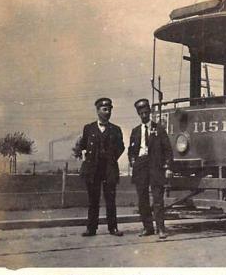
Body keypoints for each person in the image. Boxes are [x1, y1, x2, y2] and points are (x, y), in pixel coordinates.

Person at [74, 97, 126, 237]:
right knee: (93, 200)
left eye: (109, 109)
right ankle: (91, 228)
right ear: (98, 111)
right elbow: (83, 146)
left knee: (110, 200)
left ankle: (113, 228)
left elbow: (121, 147)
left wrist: (111, 158)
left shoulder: (116, 129)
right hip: (93, 170)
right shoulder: (88, 128)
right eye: (104, 109)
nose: (107, 112)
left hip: (109, 169)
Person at [127, 98, 173, 239]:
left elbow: (168, 150)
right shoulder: (135, 131)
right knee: (142, 199)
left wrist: (168, 167)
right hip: (140, 167)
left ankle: (161, 228)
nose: (144, 115)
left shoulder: (159, 129)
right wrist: (133, 160)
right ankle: (148, 228)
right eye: (141, 113)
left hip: (155, 167)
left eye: (146, 112)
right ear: (138, 114)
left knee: (158, 198)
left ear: (150, 112)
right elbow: (131, 150)